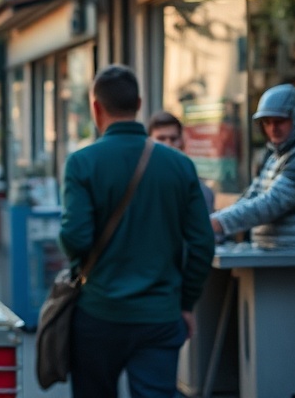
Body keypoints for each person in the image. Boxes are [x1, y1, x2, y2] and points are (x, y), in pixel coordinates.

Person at [59, 65, 214, 398]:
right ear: (139, 104)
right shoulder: (179, 165)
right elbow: (202, 244)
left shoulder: (82, 163)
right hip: (160, 314)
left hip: (98, 312)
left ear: (95, 107)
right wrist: (185, 303)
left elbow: (76, 238)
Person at [210, 83, 295, 248]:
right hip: (277, 251)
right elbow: (252, 196)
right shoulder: (275, 154)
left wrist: (218, 222)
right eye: (266, 122)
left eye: (279, 121)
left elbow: (272, 203)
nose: (273, 129)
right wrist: (217, 220)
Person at [147, 111, 215, 213]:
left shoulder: (192, 181)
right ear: (149, 140)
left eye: (173, 139)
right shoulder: (141, 178)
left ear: (181, 141)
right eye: (161, 138)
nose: (168, 144)